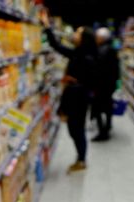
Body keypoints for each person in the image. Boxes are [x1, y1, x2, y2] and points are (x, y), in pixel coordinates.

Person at [40, 12, 97, 173]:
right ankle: (80, 158)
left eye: (77, 32)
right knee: (74, 128)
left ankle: (81, 160)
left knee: (76, 129)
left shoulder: (87, 57)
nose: (74, 34)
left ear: (84, 37)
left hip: (79, 99)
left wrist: (74, 81)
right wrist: (47, 27)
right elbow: (57, 47)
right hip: (75, 97)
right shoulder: (79, 52)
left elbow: (90, 82)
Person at [92, 27, 119, 141]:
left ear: (102, 38)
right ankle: (108, 126)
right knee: (108, 106)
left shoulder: (100, 50)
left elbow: (97, 69)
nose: (96, 39)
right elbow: (116, 69)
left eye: (97, 37)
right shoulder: (112, 49)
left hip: (101, 85)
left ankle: (102, 132)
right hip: (110, 84)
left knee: (97, 108)